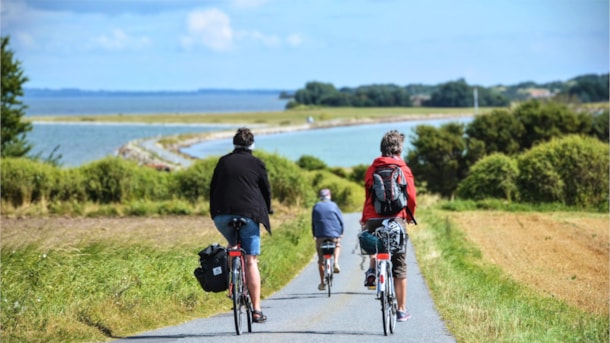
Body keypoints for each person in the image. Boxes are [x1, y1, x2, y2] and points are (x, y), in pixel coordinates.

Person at [209, 127, 272, 323]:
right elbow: (266, 190)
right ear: (252, 144)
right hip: (249, 214)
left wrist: (216, 212)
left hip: (222, 215)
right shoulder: (257, 163)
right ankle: (257, 310)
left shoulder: (223, 161)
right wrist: (268, 209)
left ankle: (232, 284)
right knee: (251, 260)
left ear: (234, 144)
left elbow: (213, 188)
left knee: (232, 244)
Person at [360, 130, 416, 322]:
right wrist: (409, 216)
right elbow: (411, 197)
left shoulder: (372, 168)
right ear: (399, 148)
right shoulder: (404, 168)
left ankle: (373, 270)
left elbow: (368, 196)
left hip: (373, 219)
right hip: (396, 219)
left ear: (382, 148)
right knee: (399, 264)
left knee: (373, 242)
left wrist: (365, 219)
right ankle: (401, 310)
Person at [311, 188, 344, 291]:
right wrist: (341, 233)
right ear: (329, 196)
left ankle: (322, 283)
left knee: (321, 261)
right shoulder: (334, 205)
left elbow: (313, 222)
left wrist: (314, 234)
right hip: (334, 234)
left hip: (320, 235)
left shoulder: (316, 206)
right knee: (337, 244)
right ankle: (336, 262)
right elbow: (341, 221)